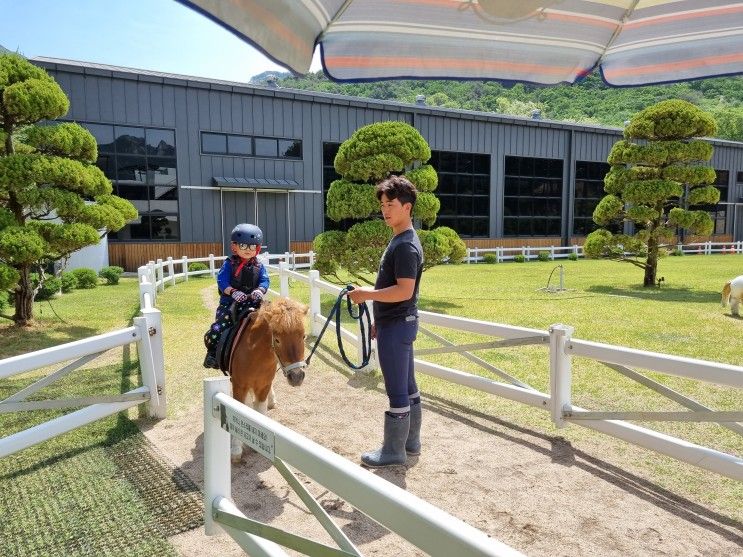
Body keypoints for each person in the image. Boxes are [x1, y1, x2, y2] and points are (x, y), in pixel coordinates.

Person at [348, 176, 423, 467]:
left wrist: (367, 294)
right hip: (398, 323)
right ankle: (410, 442)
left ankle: (394, 451)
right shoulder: (402, 239)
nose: (385, 210)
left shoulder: (405, 246)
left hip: (397, 325)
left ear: (407, 207)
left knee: (396, 389)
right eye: (382, 205)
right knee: (408, 385)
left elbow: (404, 290)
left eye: (390, 204)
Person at [203, 223, 270, 369]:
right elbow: (222, 281)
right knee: (219, 327)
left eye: (252, 246)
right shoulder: (229, 264)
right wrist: (233, 292)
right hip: (230, 303)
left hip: (253, 302)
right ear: (235, 246)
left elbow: (265, 280)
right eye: (244, 245)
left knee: (272, 320)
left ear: (257, 248)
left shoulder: (259, 266)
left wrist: (260, 290)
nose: (248, 250)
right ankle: (212, 353)